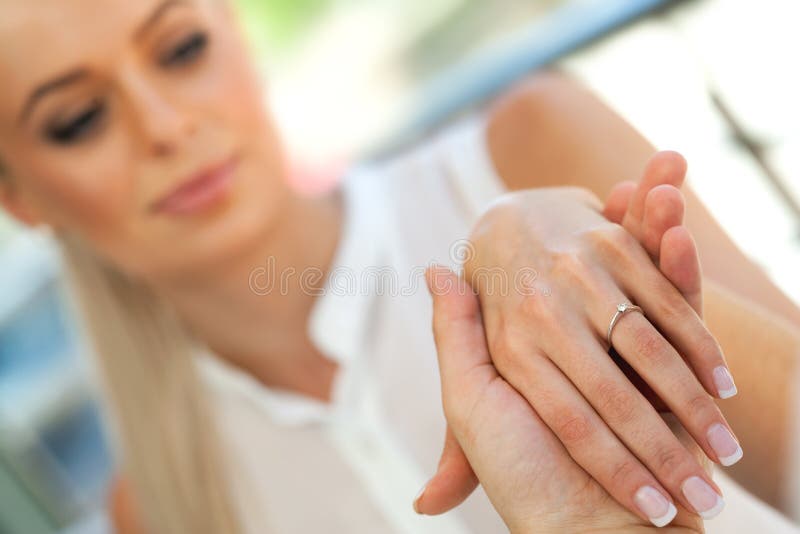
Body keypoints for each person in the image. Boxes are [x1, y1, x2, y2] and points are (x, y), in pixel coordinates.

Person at [0, 0, 797, 532]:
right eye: (78, 120)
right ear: (22, 199)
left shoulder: (527, 148)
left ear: (237, 36)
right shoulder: (156, 512)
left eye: (181, 49)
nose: (166, 126)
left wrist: (610, 272)